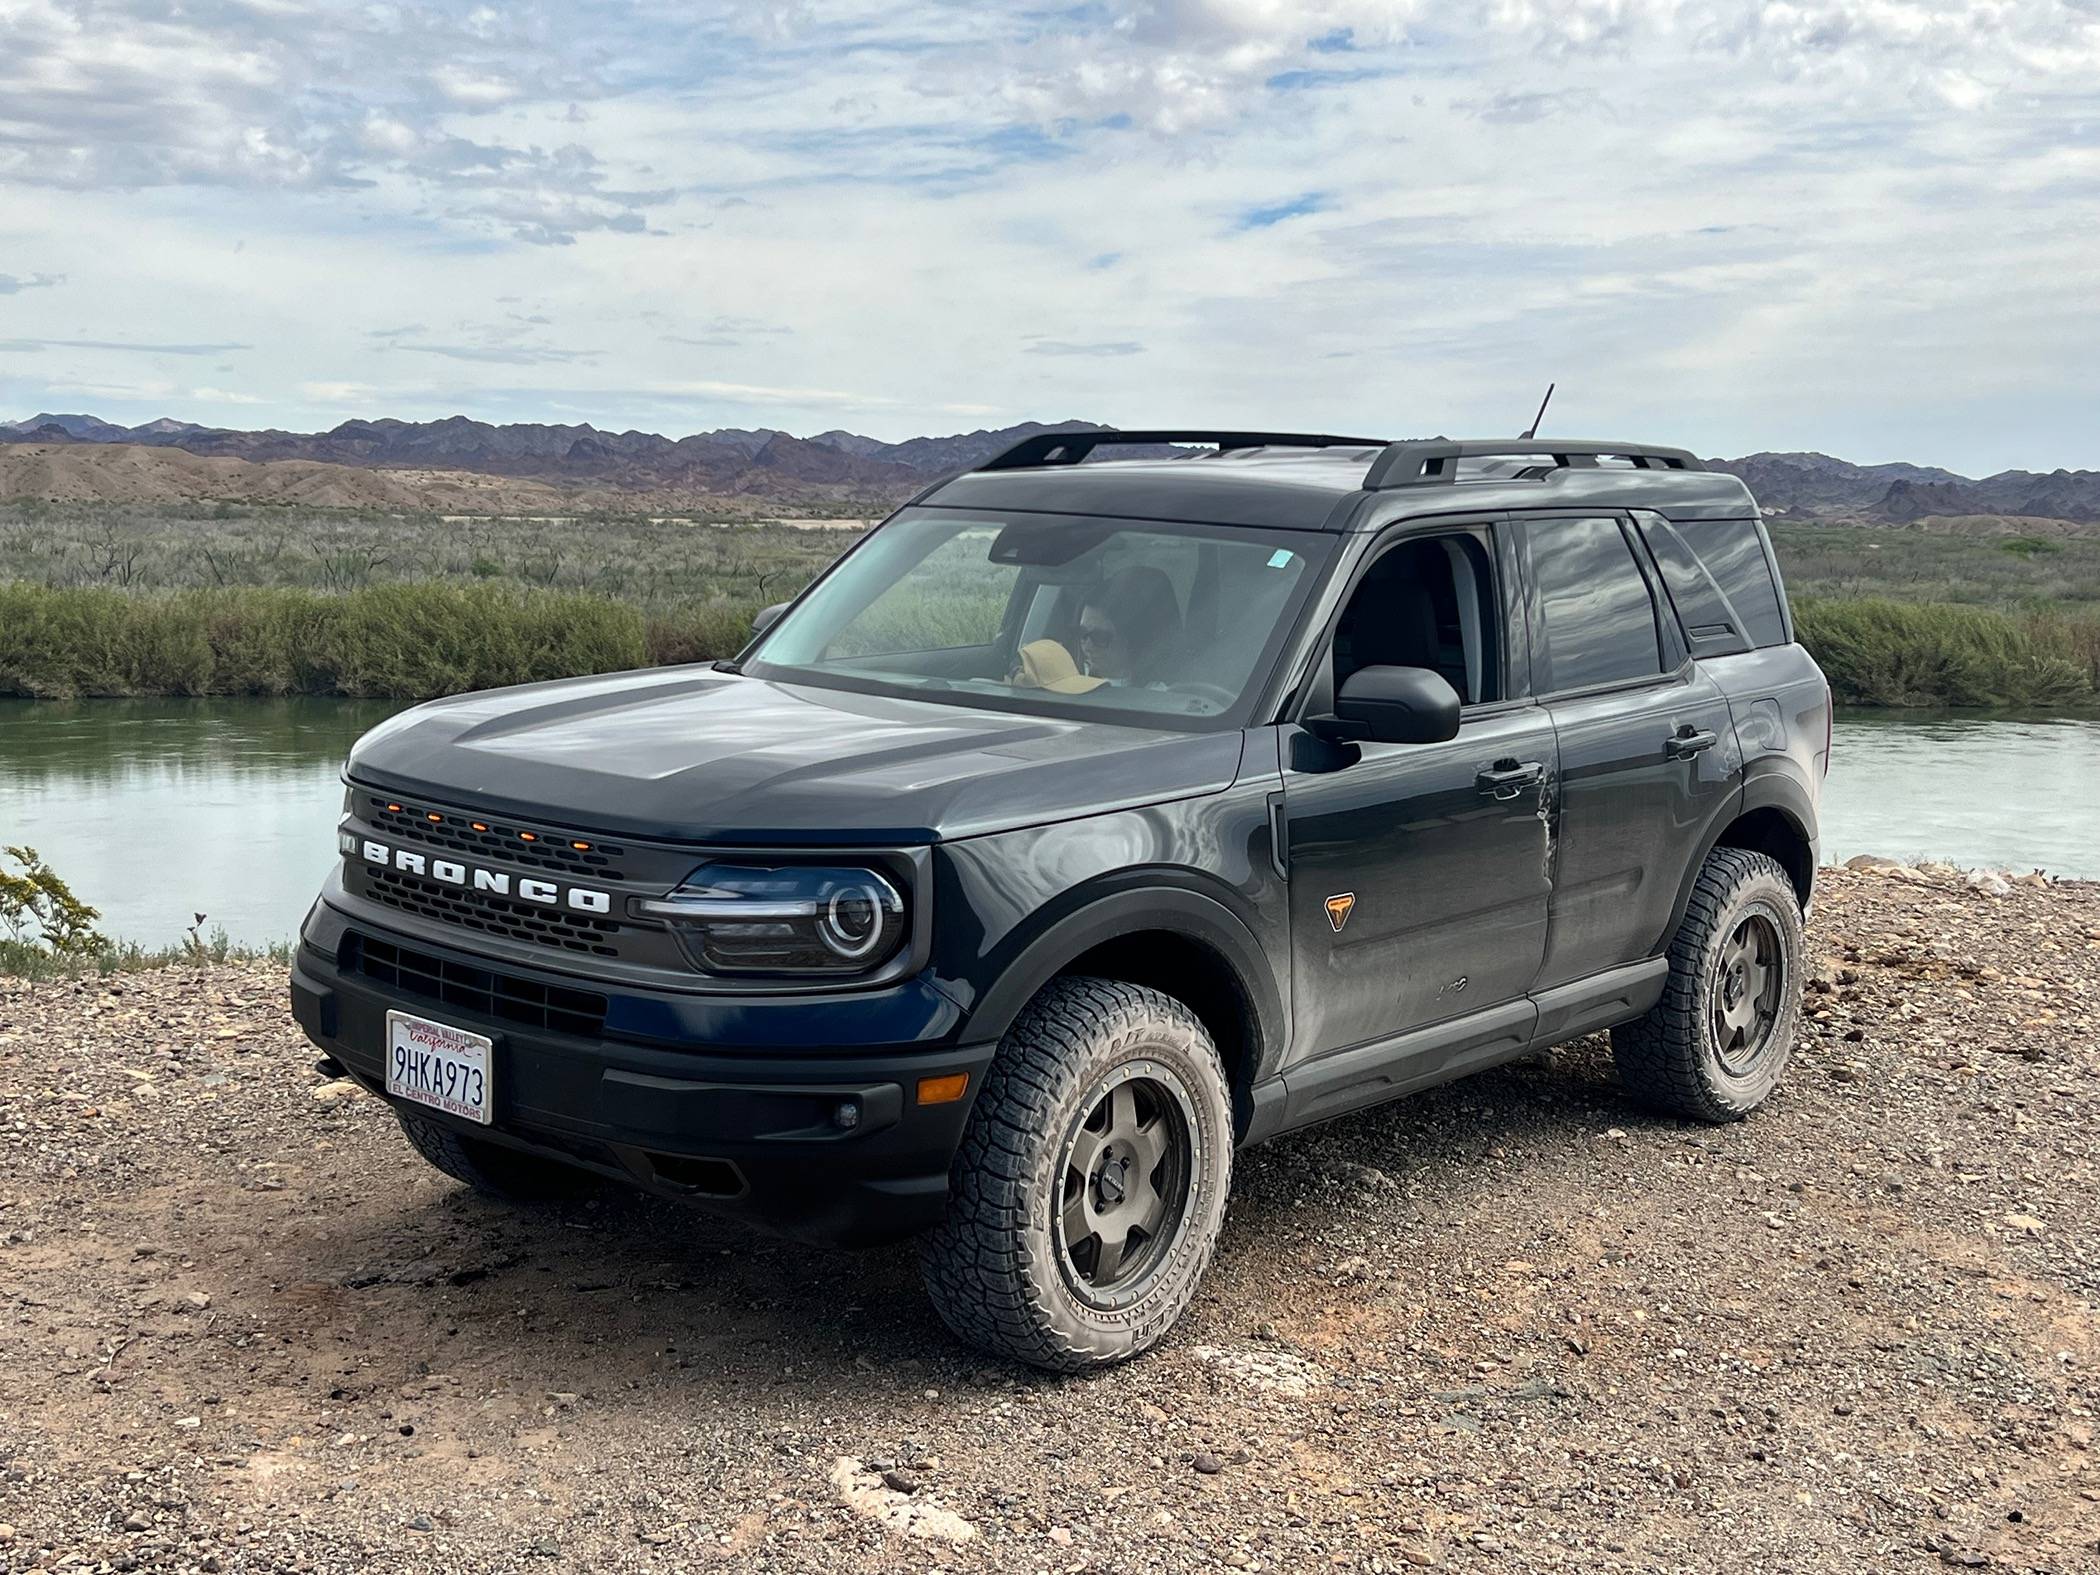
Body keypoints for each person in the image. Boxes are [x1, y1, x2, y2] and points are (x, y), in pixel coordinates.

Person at [1077, 566, 1181, 684]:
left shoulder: (1167, 697)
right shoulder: (1067, 681)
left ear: (1135, 639)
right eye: (1082, 633)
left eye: (1099, 637)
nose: (1087, 647)